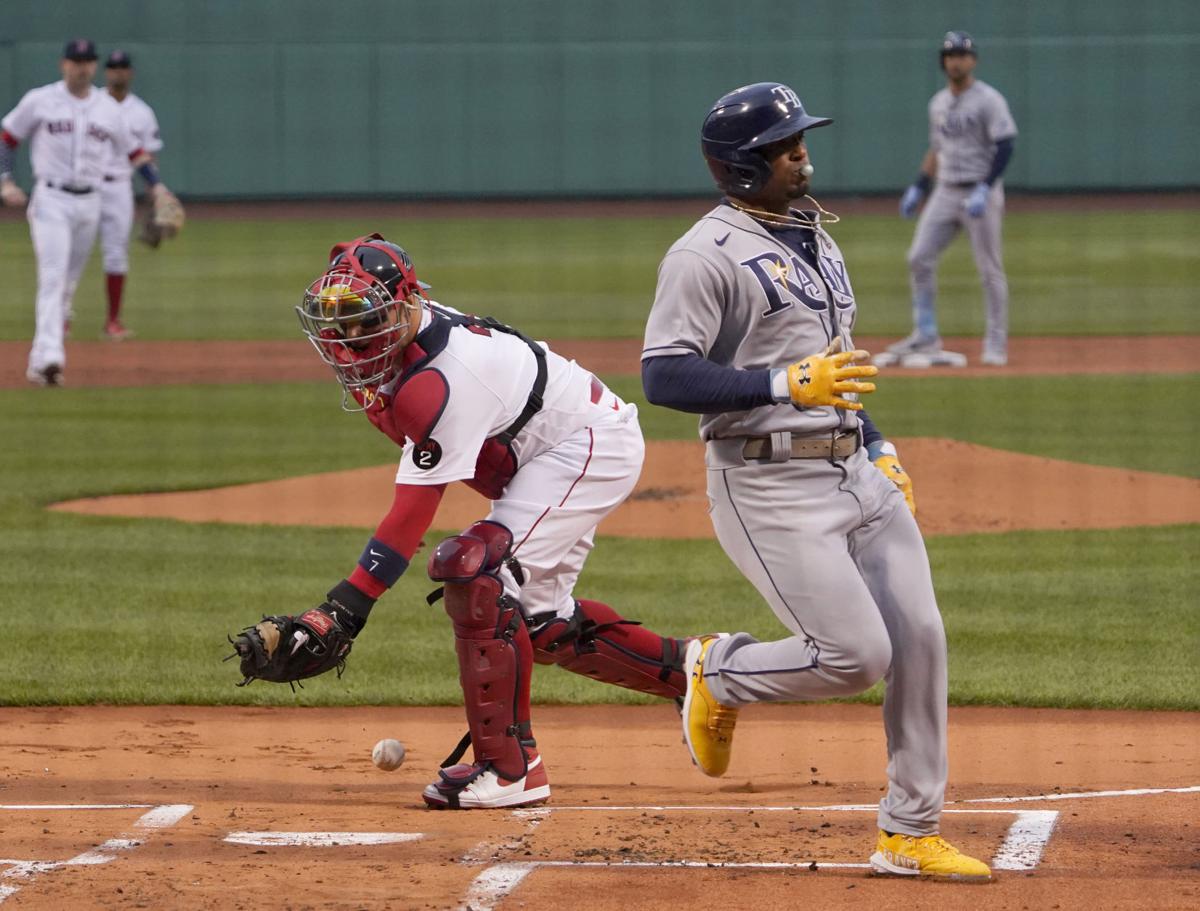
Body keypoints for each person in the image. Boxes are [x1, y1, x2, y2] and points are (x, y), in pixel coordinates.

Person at [641, 82, 992, 882]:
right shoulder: (703, 256)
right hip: (768, 487)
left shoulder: (813, 236)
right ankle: (716, 670)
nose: (802, 152)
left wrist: (878, 441)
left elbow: (831, 369)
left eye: (800, 138)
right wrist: (778, 386)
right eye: (783, 144)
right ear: (739, 167)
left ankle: (909, 831)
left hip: (856, 472)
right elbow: (664, 376)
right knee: (855, 655)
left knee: (921, 642)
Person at [274, 234, 688, 809]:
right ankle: (692, 675)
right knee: (538, 623)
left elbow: (413, 512)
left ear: (402, 304)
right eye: (335, 319)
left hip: (586, 446)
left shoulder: (442, 377)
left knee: (477, 575)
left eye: (359, 318)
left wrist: (341, 610)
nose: (345, 336)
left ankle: (511, 769)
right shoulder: (403, 344)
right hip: (547, 453)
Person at [0, 39, 181, 386]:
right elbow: (7, 137)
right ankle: (52, 356)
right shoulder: (41, 100)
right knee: (52, 279)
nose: (82, 66)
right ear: (63, 65)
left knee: (67, 283)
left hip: (91, 202)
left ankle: (39, 366)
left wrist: (157, 187)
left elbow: (136, 153)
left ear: (94, 67)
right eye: (75, 60)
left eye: (87, 61)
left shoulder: (107, 110)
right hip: (51, 198)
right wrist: (5, 180)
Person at [884, 30, 1018, 368]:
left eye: (962, 54)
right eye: (950, 55)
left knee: (990, 269)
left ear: (973, 60)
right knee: (918, 258)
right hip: (945, 189)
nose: (956, 60)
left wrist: (986, 186)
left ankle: (996, 342)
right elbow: (937, 148)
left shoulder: (989, 99)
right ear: (943, 62)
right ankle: (925, 334)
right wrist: (919, 186)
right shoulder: (938, 102)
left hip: (979, 191)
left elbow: (1005, 144)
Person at [97, 49, 163, 341]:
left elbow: (147, 157)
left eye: (122, 67)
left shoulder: (142, 112)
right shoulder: (92, 103)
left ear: (130, 72)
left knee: (116, 255)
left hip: (119, 186)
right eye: (112, 67)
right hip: (85, 187)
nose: (117, 71)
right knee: (68, 256)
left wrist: (154, 198)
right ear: (105, 71)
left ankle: (113, 321)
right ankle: (61, 320)